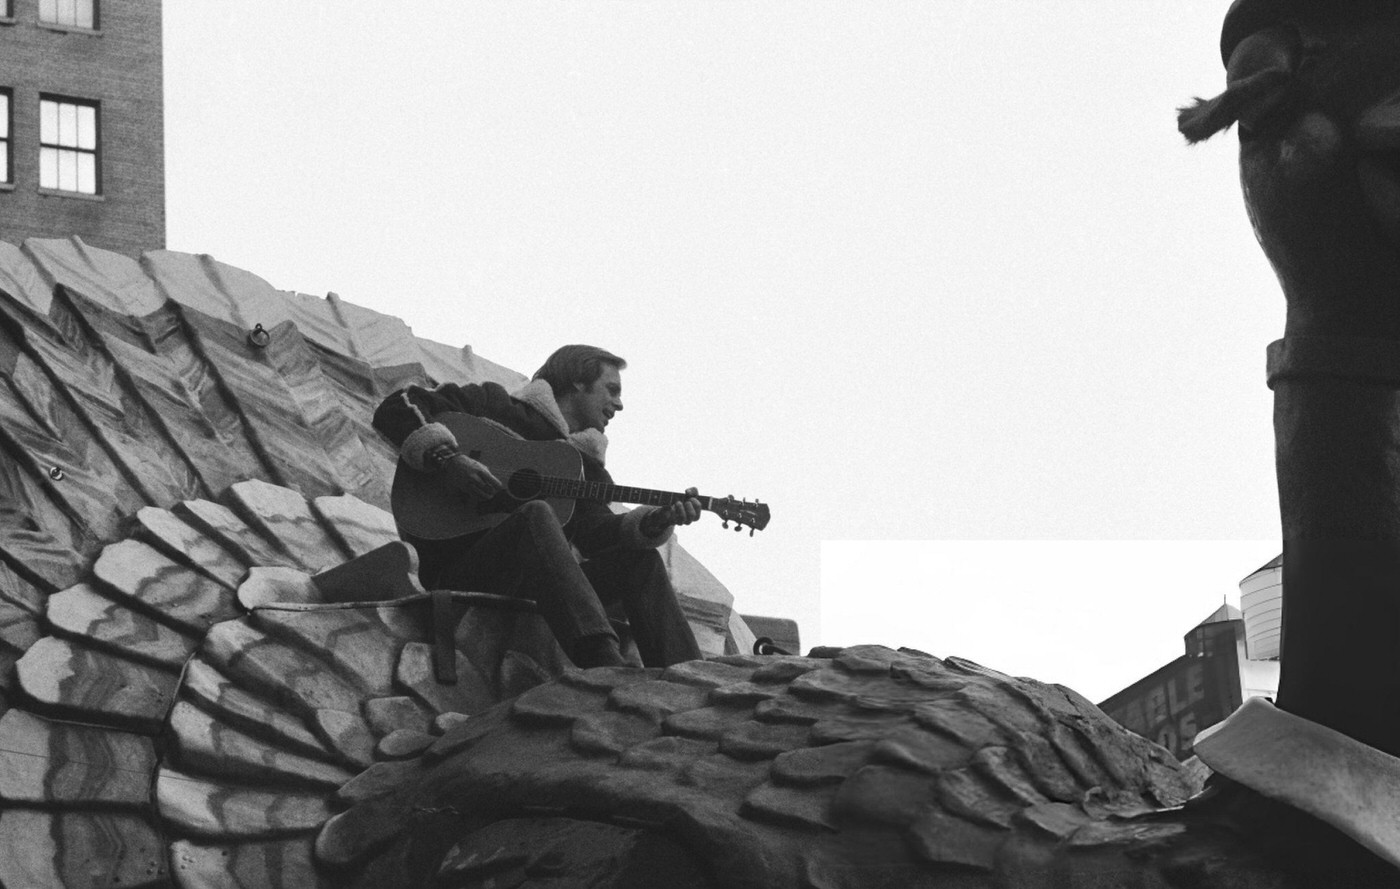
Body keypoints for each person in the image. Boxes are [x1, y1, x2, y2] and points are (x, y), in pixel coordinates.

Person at [372, 344, 704, 669]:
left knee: (640, 561)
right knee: (535, 514)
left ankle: (690, 679)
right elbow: (399, 405)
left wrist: (655, 521)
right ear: (578, 381)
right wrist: (448, 459)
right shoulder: (494, 405)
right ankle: (603, 663)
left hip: (538, 588)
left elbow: (595, 536)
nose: (618, 404)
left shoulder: (587, 468)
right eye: (611, 390)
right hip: (459, 568)